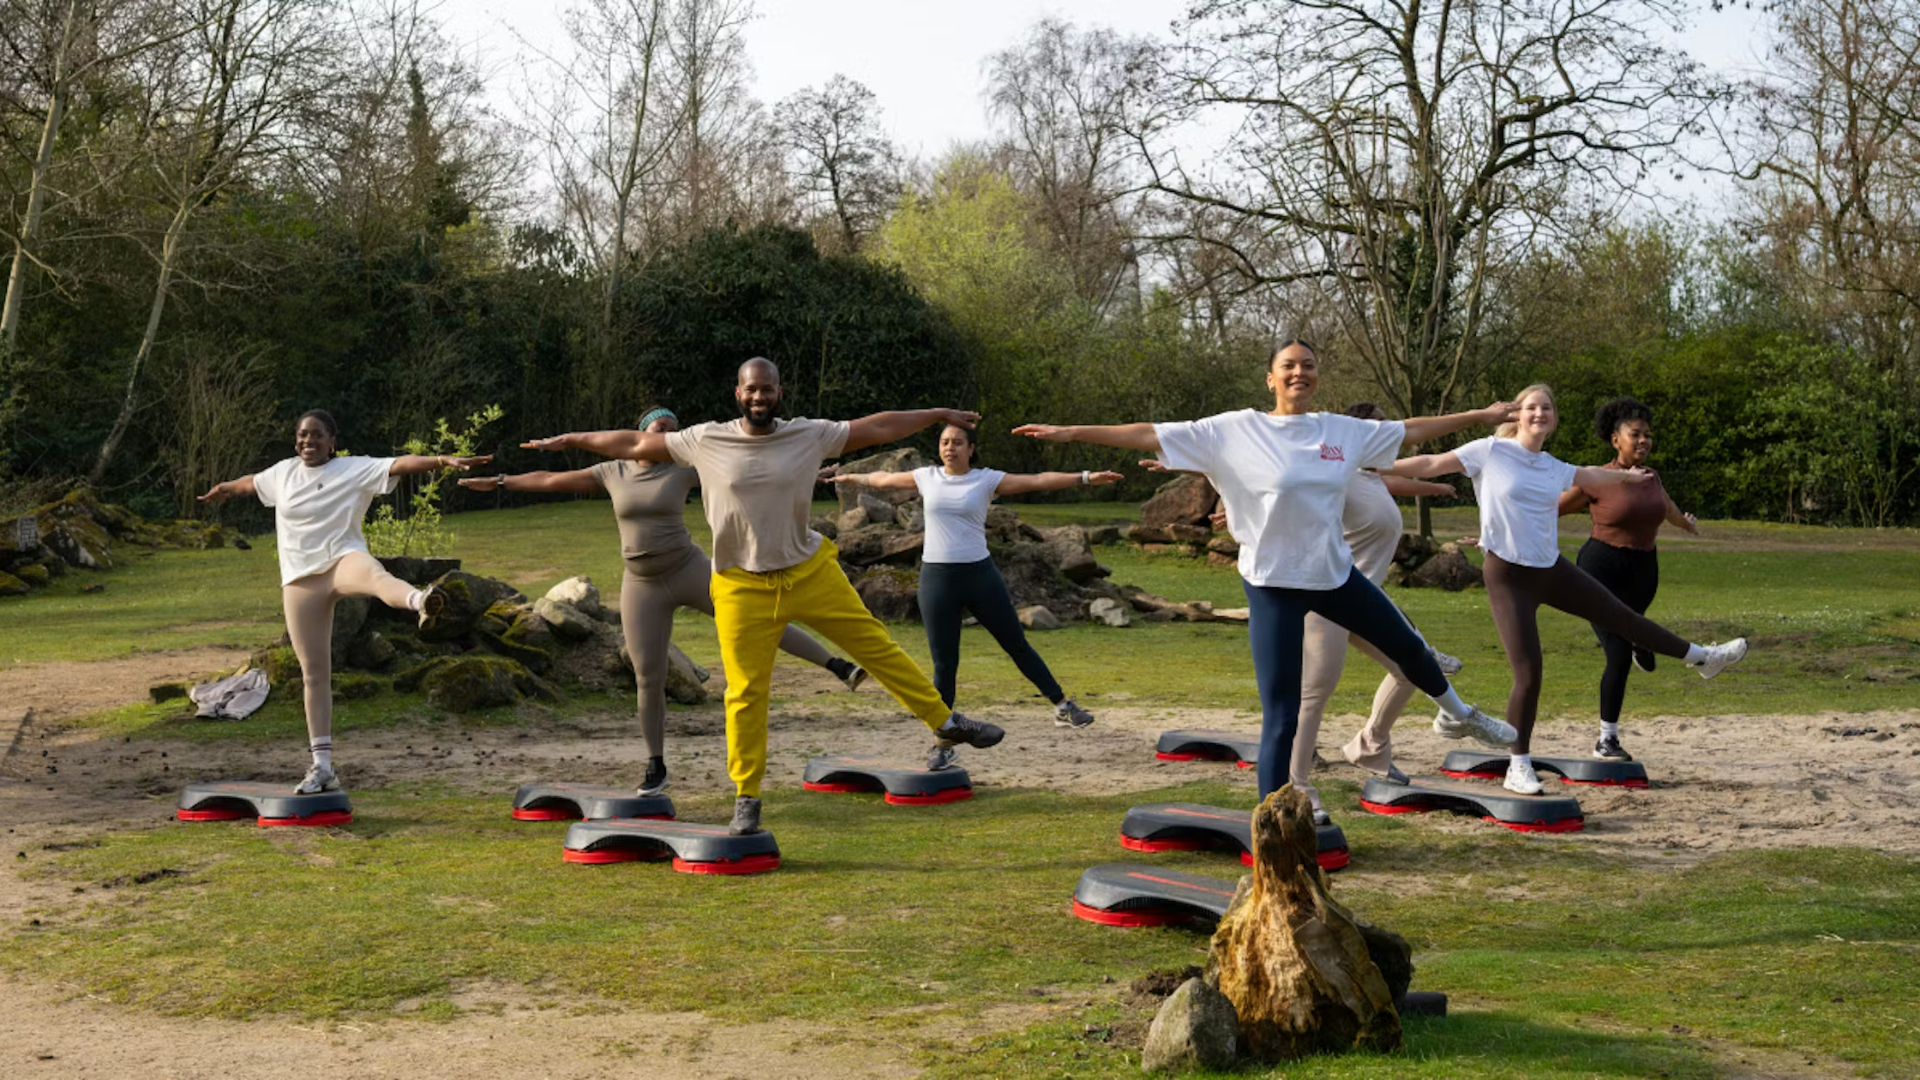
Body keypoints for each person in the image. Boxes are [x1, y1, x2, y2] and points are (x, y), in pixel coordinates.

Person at [1013, 340, 1518, 803]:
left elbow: (1412, 430)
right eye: (1289, 366)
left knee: (1410, 647)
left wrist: (1484, 413)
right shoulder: (1232, 429)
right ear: (1270, 379)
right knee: (1282, 713)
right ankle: (1273, 820)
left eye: (1309, 365)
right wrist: (1072, 432)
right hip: (1274, 585)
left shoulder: (1340, 431)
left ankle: (1459, 715)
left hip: (1334, 576)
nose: (1300, 372)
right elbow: (1147, 433)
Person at [521, 358, 1005, 835]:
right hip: (739, 584)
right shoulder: (705, 438)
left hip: (808, 572)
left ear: (779, 392)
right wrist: (573, 439)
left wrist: (939, 415)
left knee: (877, 647)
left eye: (767, 389)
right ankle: (746, 796)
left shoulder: (808, 433)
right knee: (745, 693)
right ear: (738, 393)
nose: (759, 397)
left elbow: (876, 428)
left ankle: (944, 721)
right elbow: (633, 442)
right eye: (751, 389)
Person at [458, 405, 867, 797]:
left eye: (674, 429)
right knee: (647, 675)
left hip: (689, 569)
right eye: (661, 428)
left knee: (762, 617)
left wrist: (808, 470)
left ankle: (837, 665)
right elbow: (550, 481)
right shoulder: (611, 471)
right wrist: (499, 482)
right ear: (640, 434)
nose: (670, 435)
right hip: (642, 583)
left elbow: (747, 471)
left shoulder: (685, 468)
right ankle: (656, 765)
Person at [1386, 384, 1747, 795]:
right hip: (1507, 575)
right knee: (1529, 671)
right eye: (1532, 407)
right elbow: (1431, 462)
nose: (1540, 413)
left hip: (1550, 569)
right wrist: (1380, 467)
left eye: (1547, 408)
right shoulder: (1489, 451)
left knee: (1624, 619)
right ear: (1517, 415)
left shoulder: (1552, 466)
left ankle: (1703, 658)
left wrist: (1625, 476)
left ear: (1554, 418)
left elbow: (1589, 475)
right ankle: (1517, 765)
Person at [197, 409, 491, 794]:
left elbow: (400, 463)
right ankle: (322, 766)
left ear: (332, 441)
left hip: (341, 560)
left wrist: (442, 460)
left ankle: (421, 600)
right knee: (314, 674)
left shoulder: (352, 469)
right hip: (300, 581)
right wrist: (225, 487)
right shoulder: (283, 473)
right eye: (302, 435)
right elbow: (252, 483)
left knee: (374, 576)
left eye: (316, 436)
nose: (308, 442)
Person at [827, 422, 1120, 746]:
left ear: (971, 449)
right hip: (937, 580)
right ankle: (943, 743)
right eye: (944, 442)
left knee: (1017, 645)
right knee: (945, 664)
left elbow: (1035, 480)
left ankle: (1063, 706)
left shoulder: (986, 480)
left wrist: (1085, 477)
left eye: (957, 442)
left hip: (980, 576)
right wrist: (848, 478)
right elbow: (882, 479)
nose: (949, 447)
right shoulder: (928, 477)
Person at [1557, 396, 1701, 763]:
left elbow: (1665, 507)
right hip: (1599, 571)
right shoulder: (1597, 478)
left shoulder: (1653, 478)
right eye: (1635, 434)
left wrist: (1686, 524)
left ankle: (1641, 641)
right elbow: (1552, 508)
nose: (1644, 441)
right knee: (1617, 654)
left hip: (1642, 572)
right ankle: (1607, 740)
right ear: (1615, 439)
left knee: (1634, 630)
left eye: (1647, 435)